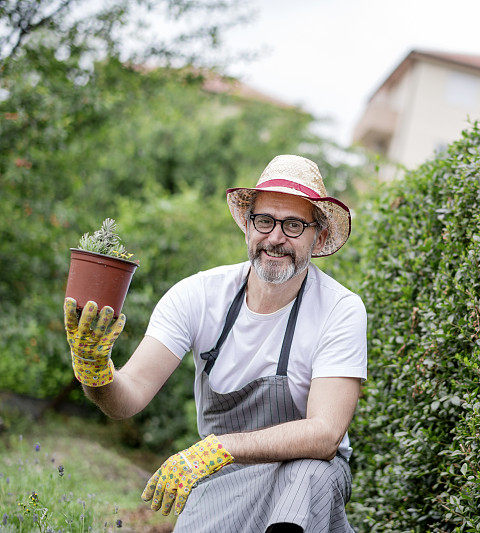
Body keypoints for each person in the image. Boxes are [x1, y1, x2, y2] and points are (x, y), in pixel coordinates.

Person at [63, 155, 367, 532]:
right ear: (247, 226)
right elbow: (129, 398)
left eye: (293, 225)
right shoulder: (199, 295)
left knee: (309, 475)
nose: (275, 237)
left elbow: (324, 434)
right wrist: (95, 371)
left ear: (318, 237)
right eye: (264, 221)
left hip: (304, 479)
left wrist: (219, 448)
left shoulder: (340, 309)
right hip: (222, 476)